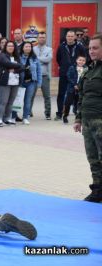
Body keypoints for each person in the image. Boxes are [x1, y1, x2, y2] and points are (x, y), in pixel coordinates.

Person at [73, 34, 102, 203]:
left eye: (95, 48)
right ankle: (97, 189)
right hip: (88, 122)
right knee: (93, 157)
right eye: (90, 48)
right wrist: (78, 119)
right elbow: (82, 97)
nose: (91, 51)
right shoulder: (88, 70)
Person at [56, 30, 86, 120]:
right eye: (68, 36)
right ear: (66, 37)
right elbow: (58, 59)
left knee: (77, 94)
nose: (70, 38)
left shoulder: (80, 47)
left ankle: (77, 111)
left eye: (72, 36)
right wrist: (64, 67)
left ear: (75, 37)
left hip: (76, 75)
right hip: (64, 73)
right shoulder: (61, 47)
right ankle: (59, 113)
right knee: (61, 93)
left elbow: (84, 58)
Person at [12, 42, 42, 125]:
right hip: (20, 82)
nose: (28, 48)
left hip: (31, 82)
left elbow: (39, 71)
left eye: (30, 46)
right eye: (26, 46)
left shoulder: (34, 58)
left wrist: (39, 83)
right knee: (17, 100)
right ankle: (13, 117)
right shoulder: (18, 57)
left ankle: (25, 117)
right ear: (22, 48)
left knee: (28, 101)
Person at [0, 41, 23, 127]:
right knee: (3, 102)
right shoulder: (2, 55)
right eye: (9, 46)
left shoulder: (17, 57)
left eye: (12, 46)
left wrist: (14, 69)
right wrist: (16, 65)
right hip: (4, 81)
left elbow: (22, 67)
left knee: (10, 102)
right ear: (5, 47)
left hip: (15, 82)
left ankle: (7, 118)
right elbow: (6, 63)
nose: (11, 47)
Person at [33, 32, 52, 120]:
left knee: (47, 96)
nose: (42, 39)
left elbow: (48, 59)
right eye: (40, 37)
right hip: (34, 75)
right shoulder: (33, 49)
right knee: (31, 95)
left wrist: (37, 59)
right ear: (37, 38)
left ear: (45, 38)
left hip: (44, 75)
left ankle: (48, 113)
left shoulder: (49, 49)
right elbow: (32, 60)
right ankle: (28, 112)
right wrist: (41, 60)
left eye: (43, 37)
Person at [63, 55, 87, 124]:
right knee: (68, 102)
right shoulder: (72, 68)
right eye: (80, 60)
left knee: (78, 103)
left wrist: (80, 86)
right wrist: (74, 84)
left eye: (83, 60)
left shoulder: (86, 69)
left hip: (81, 89)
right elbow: (68, 76)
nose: (81, 62)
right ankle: (65, 116)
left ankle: (78, 117)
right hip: (71, 88)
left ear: (85, 62)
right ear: (76, 60)